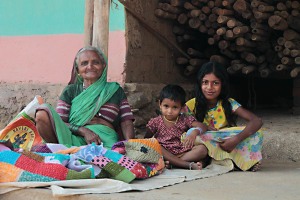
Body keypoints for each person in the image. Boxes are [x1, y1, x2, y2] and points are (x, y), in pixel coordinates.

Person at [35, 46, 135, 149]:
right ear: (78, 69)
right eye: (84, 63)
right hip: (72, 138)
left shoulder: (115, 90)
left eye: (96, 62)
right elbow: (60, 123)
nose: (90, 66)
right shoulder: (70, 91)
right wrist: (84, 131)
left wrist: (130, 147)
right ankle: (60, 150)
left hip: (105, 141)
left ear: (103, 66)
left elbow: (126, 122)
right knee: (42, 113)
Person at [185, 61, 263, 171]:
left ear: (223, 84)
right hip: (204, 141)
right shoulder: (191, 104)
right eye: (205, 82)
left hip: (225, 143)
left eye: (215, 83)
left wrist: (235, 140)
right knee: (193, 136)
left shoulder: (229, 103)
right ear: (199, 84)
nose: (209, 87)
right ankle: (227, 161)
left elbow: (257, 121)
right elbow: (184, 123)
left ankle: (214, 160)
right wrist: (202, 127)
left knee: (256, 132)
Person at [145, 84, 208, 170]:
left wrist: (194, 132)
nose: (169, 111)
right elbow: (146, 140)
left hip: (182, 152)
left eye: (175, 107)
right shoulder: (155, 122)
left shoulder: (185, 120)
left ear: (182, 108)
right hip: (164, 154)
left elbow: (202, 126)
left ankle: (174, 164)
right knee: (156, 145)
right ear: (160, 104)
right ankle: (187, 165)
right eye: (166, 106)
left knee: (202, 150)